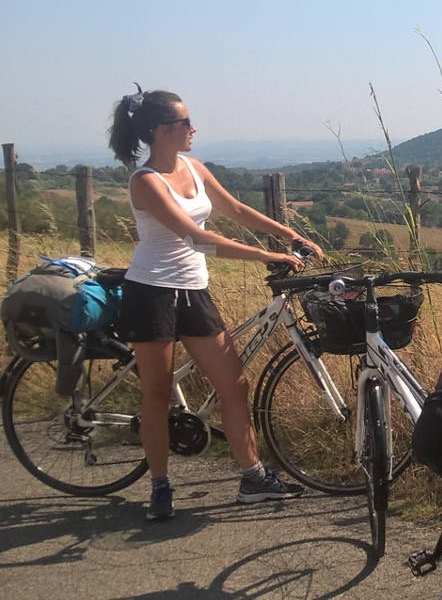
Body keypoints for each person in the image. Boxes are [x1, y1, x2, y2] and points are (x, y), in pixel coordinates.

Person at [107, 85, 326, 521]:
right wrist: (268, 255)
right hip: (151, 293)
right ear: (161, 130)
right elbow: (197, 236)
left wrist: (290, 235)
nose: (194, 128)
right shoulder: (145, 181)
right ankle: (160, 486)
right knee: (156, 394)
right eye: (185, 122)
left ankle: (252, 478)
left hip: (192, 291)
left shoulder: (193, 166)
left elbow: (237, 210)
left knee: (234, 385)